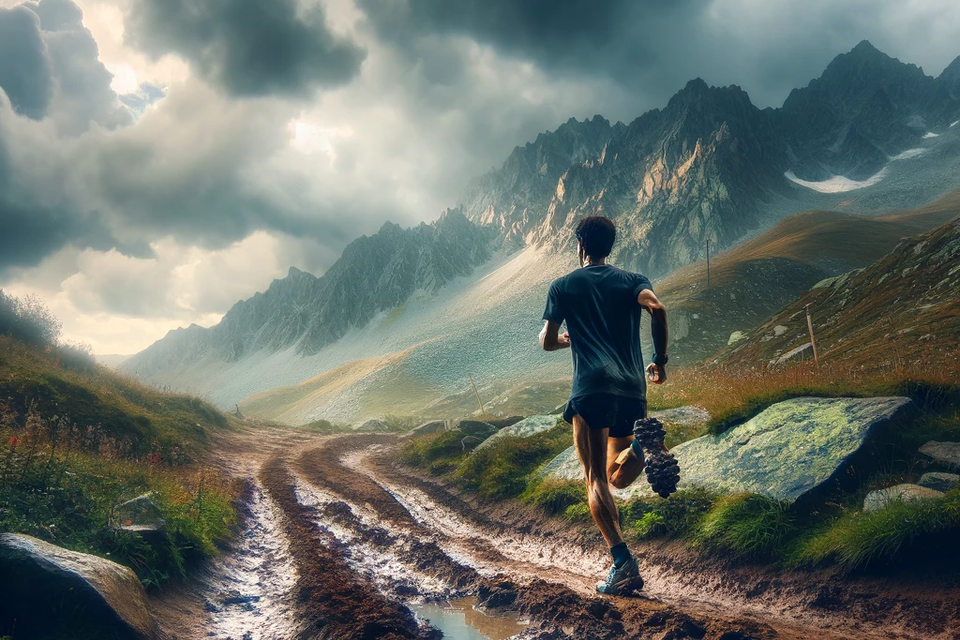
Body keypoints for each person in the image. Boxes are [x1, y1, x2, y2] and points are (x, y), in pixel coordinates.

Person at [539, 215, 668, 596]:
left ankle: (622, 563)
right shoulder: (633, 281)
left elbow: (547, 342)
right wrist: (660, 360)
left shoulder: (563, 286)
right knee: (617, 475)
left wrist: (568, 339)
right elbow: (657, 309)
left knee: (594, 478)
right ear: (610, 246)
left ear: (580, 245)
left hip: (592, 390)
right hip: (631, 389)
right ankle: (643, 447)